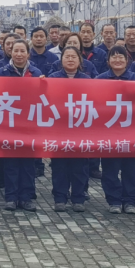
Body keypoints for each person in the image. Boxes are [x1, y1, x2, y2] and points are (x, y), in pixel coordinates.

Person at [95, 46, 135, 214]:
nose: (117, 60)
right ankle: (114, 201)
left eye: (121, 57)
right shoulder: (99, 80)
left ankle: (130, 201)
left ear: (127, 60)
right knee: (110, 169)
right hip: (108, 132)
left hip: (132, 133)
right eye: (114, 57)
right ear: (108, 61)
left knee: (131, 170)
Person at [0, 40, 41, 212]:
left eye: (22, 51)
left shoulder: (36, 73)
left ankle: (26, 198)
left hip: (29, 124)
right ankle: (11, 197)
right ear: (10, 52)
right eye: (16, 51)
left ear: (28, 54)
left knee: (28, 164)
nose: (19, 54)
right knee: (11, 163)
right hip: (9, 124)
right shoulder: (1, 72)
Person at [46, 47, 91, 212]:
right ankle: (60, 198)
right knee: (59, 166)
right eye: (67, 56)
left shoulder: (87, 80)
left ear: (79, 60)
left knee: (80, 166)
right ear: (61, 59)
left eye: (74, 57)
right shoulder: (53, 78)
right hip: (59, 129)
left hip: (80, 129)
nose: (70, 59)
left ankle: (78, 198)